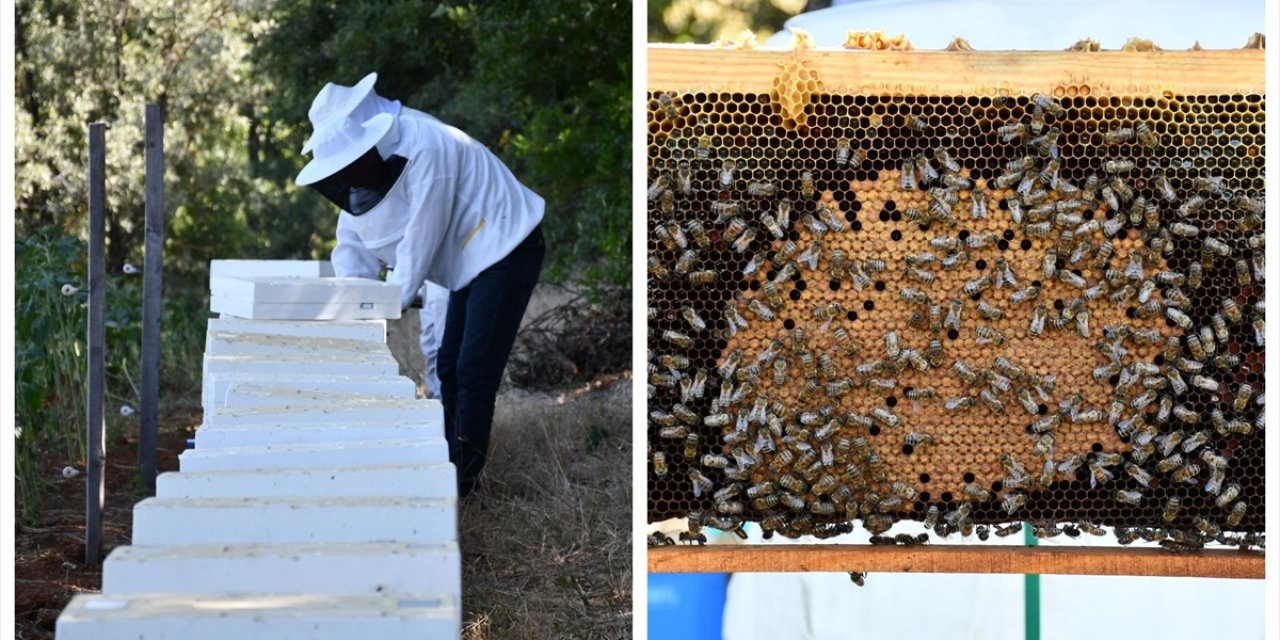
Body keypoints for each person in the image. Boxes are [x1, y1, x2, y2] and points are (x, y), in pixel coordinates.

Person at [296, 73, 546, 496]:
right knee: (448, 367)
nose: (351, 181)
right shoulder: (362, 182)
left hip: (508, 243)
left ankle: (463, 484)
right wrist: (350, 322)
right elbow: (353, 254)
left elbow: (419, 244)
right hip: (471, 261)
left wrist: (386, 305)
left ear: (366, 149)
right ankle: (445, 463)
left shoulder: (426, 148)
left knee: (472, 370)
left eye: (351, 168)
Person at [302, 74, 450, 398]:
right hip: (424, 262)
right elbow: (353, 236)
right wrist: (355, 305)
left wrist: (393, 297)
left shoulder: (419, 137)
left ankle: (457, 434)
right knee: (434, 342)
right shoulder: (360, 164)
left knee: (446, 339)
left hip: (453, 252)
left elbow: (426, 230)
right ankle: (444, 423)